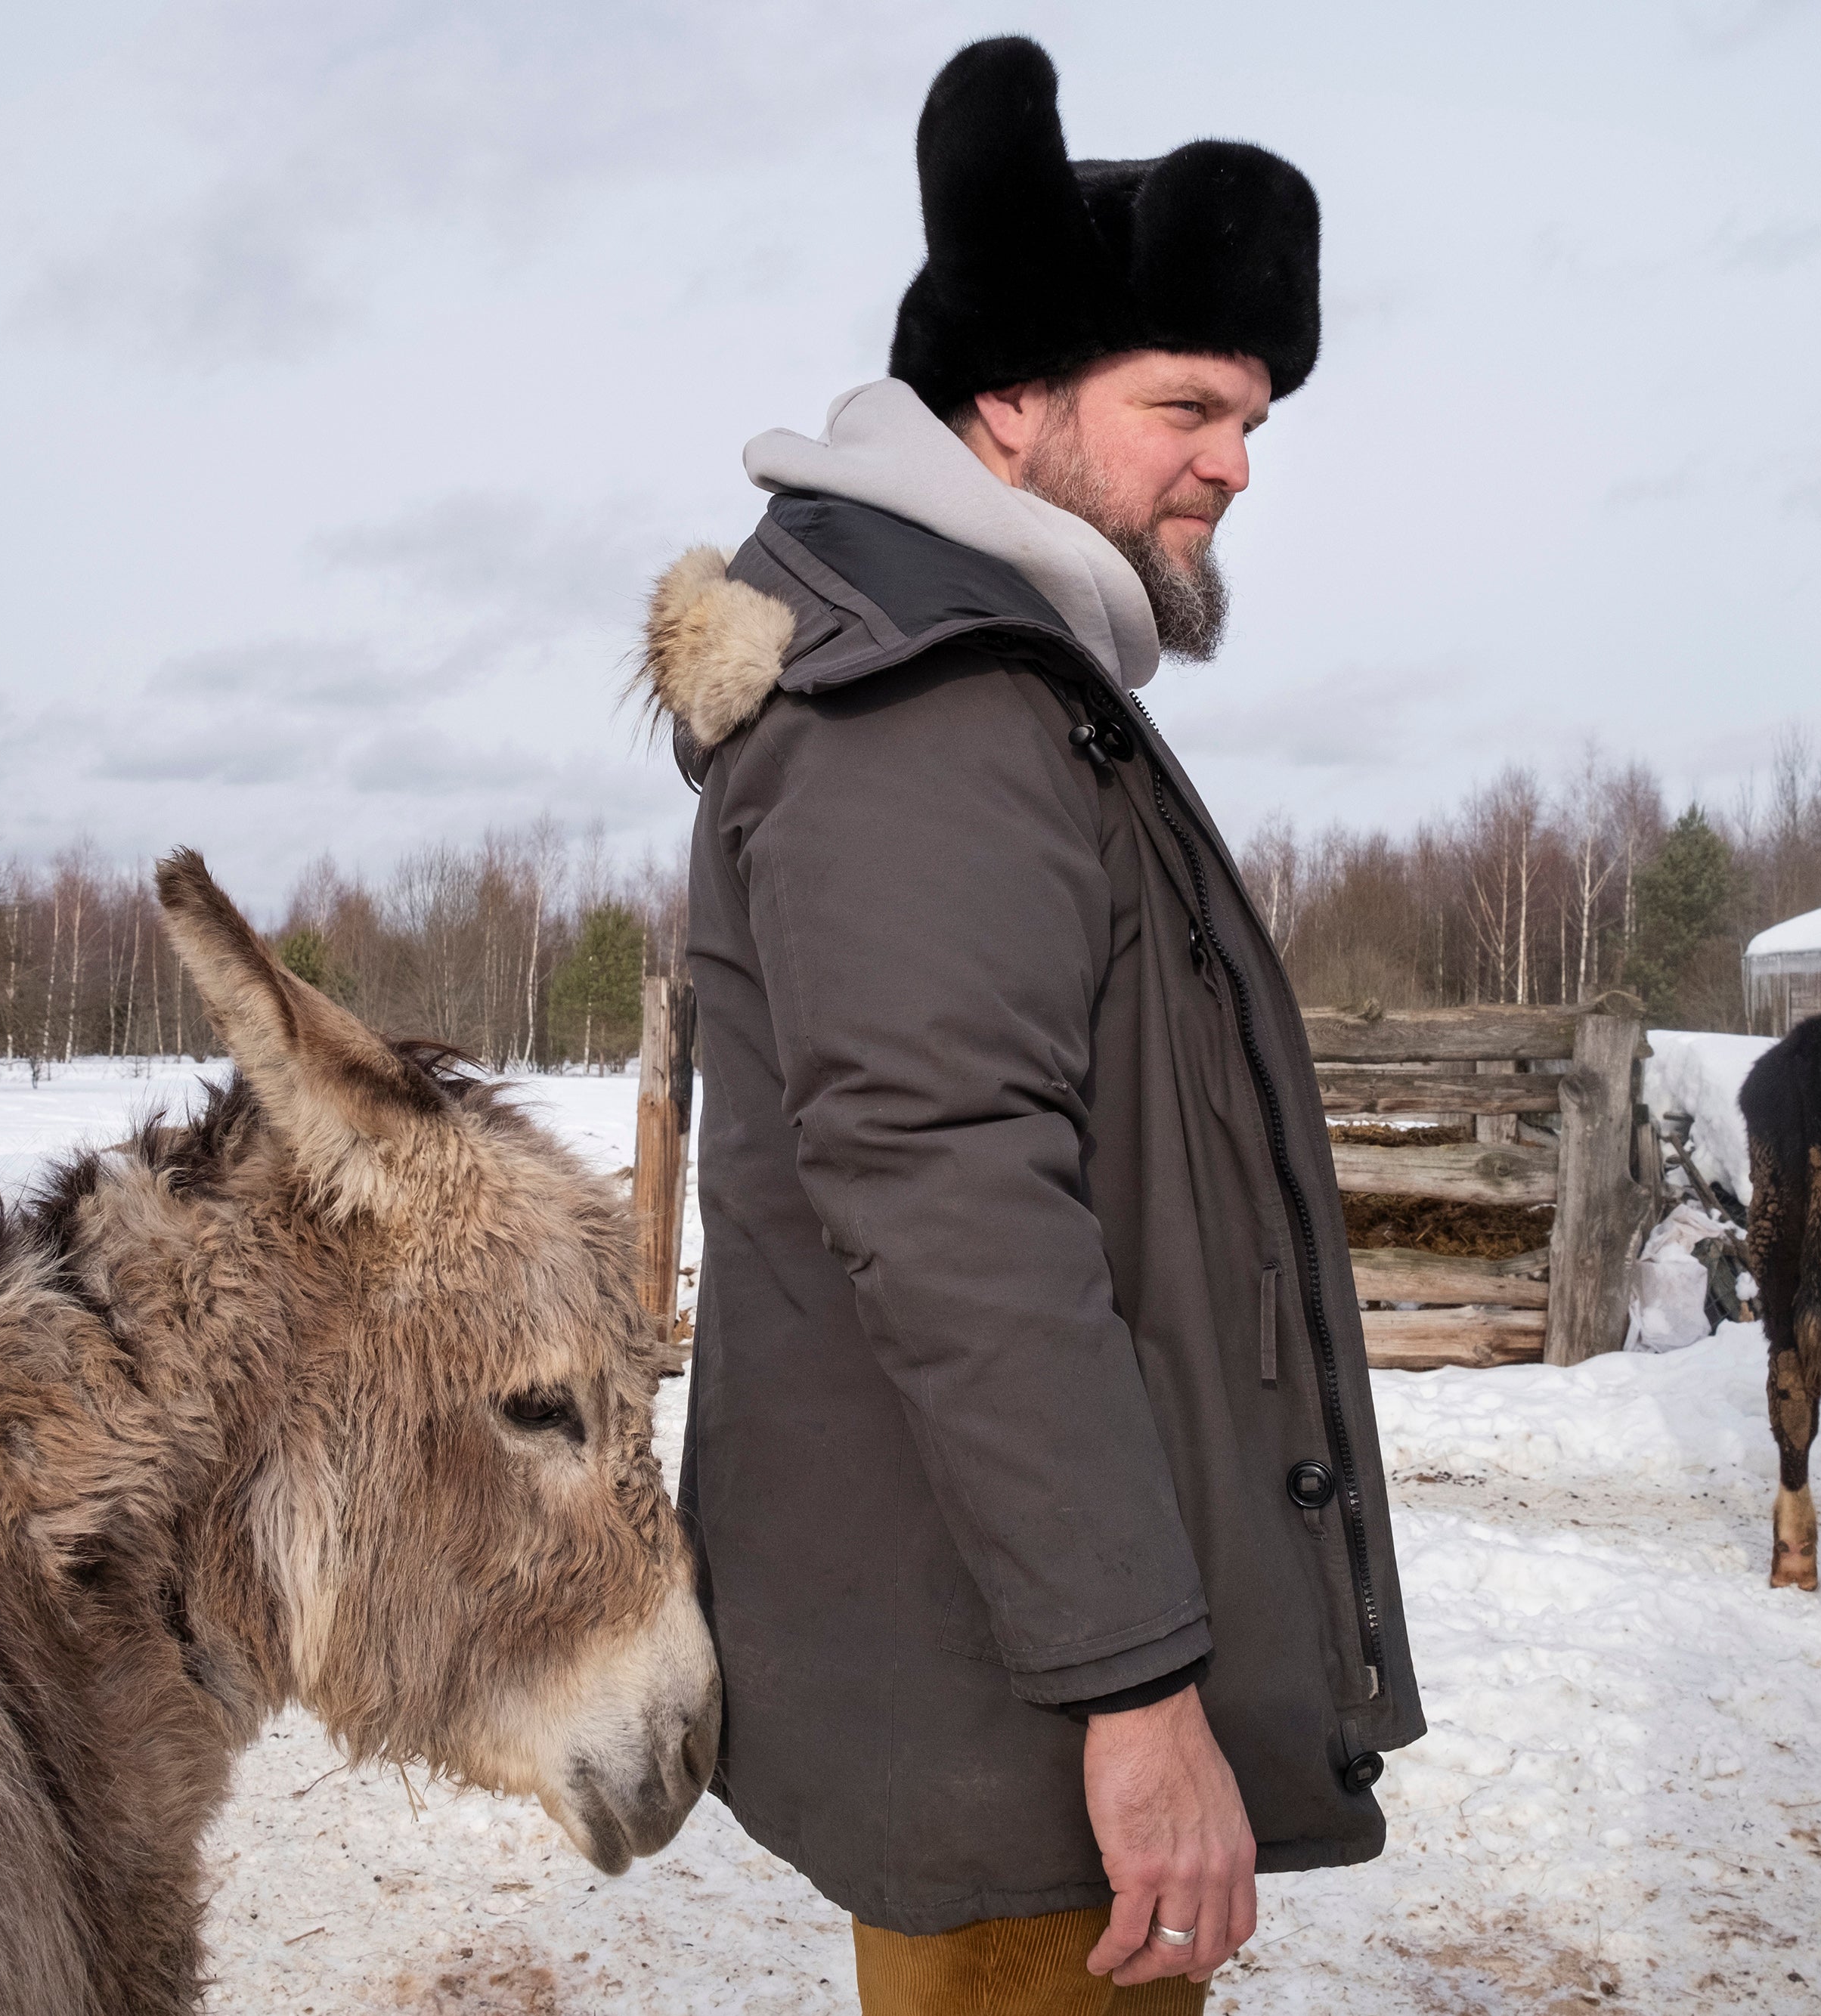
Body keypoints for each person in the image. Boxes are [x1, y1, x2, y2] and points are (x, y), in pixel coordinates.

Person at [637, 36, 1421, 2014]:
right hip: (1013, 1715)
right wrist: (1137, 1692)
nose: (1236, 460)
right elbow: (958, 1211)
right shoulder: (924, 712)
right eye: (1187, 405)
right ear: (1005, 409)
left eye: (1252, 419)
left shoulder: (978, 682)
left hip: (1004, 1680)